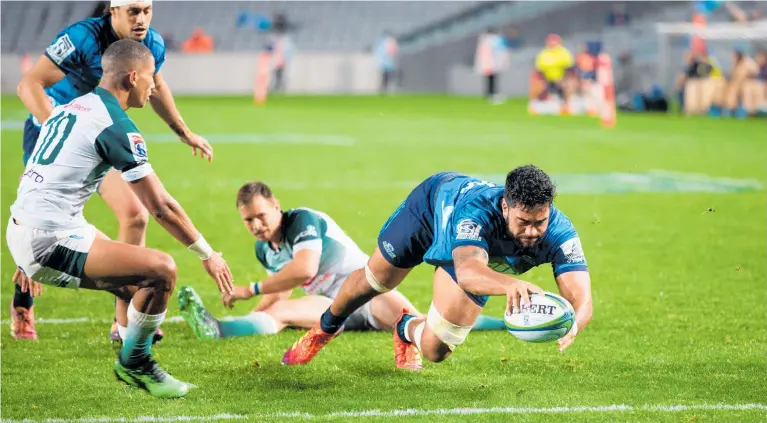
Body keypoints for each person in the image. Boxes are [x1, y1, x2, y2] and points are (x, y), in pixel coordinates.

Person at [6, 39, 234, 397]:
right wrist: (208, 254)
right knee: (162, 270)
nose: (154, 86)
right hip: (48, 237)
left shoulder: (71, 107)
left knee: (134, 289)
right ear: (131, 78)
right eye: (150, 78)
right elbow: (160, 206)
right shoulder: (113, 124)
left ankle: (131, 346)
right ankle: (137, 364)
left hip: (33, 227)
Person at [14, 0, 213, 342]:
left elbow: (158, 86)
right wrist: (59, 131)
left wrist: (184, 131)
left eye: (147, 10)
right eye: (133, 11)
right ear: (112, 11)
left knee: (136, 214)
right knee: (47, 217)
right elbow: (29, 85)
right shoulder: (81, 37)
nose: (142, 19)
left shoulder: (152, 43)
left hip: (98, 133)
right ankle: (22, 303)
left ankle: (123, 322)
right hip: (52, 130)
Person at [282, 165, 593, 370]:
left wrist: (574, 323)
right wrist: (509, 284)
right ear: (504, 206)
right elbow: (469, 271)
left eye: (540, 222)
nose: (532, 231)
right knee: (376, 280)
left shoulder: (560, 232)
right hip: (432, 210)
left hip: (478, 259)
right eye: (523, 222)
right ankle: (325, 328)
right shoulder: (477, 213)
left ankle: (405, 328)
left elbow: (582, 296)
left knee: (435, 351)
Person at [178, 182, 506, 339]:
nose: (257, 225)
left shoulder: (302, 221)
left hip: (367, 290)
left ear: (277, 206)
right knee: (280, 311)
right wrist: (255, 310)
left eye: (261, 216)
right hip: (328, 305)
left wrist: (248, 290)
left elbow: (303, 269)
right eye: (248, 221)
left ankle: (506, 323)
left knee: (431, 325)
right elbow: (279, 289)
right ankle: (219, 328)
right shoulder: (264, 249)